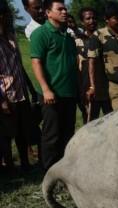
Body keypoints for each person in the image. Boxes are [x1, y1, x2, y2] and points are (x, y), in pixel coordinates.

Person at [30, 0, 77, 171]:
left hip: (69, 93)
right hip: (51, 94)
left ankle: (64, 170)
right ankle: (49, 172)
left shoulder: (67, 35)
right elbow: (36, 62)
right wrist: (46, 89)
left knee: (67, 133)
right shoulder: (41, 34)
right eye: (60, 9)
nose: (65, 12)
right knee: (52, 135)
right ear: (48, 13)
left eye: (65, 8)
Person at [0, 0, 35, 172]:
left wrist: (30, 88)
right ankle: (8, 166)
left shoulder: (11, 36)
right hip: (6, 94)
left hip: (20, 91)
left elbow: (20, 65)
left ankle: (25, 163)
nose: (7, 17)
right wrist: (2, 101)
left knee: (23, 131)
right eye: (4, 15)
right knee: (6, 134)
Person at [77, 7, 111, 122]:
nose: (92, 21)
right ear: (82, 22)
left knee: (111, 119)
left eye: (94, 18)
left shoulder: (105, 38)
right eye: (88, 18)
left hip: (106, 87)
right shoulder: (77, 41)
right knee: (90, 121)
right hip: (87, 88)